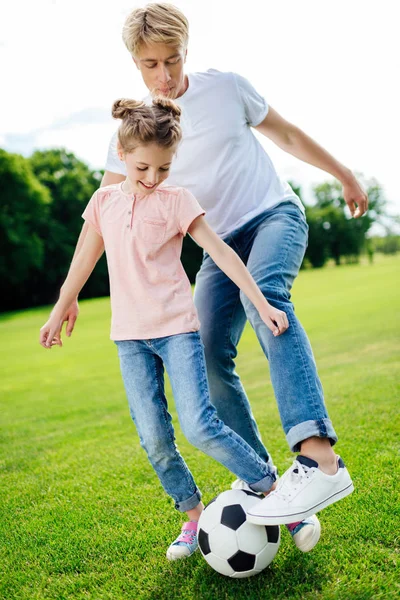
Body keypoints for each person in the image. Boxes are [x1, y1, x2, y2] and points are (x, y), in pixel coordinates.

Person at [60, 3, 362, 542]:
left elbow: (287, 134)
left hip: (272, 216)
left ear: (186, 50)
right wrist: (69, 294)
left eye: (172, 60)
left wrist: (342, 173)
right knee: (206, 356)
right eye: (151, 65)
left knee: (266, 296)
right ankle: (276, 489)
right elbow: (101, 218)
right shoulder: (130, 136)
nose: (165, 75)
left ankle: (319, 459)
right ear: (135, 62)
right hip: (216, 247)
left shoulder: (227, 89)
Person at [39, 97, 322, 560]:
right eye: (143, 168)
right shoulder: (103, 202)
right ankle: (192, 518)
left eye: (164, 169)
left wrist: (261, 303)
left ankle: (280, 499)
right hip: (129, 338)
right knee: (153, 437)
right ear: (122, 153)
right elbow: (86, 255)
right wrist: (60, 306)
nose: (153, 179)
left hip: (176, 330)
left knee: (199, 425)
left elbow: (223, 253)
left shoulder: (177, 201)